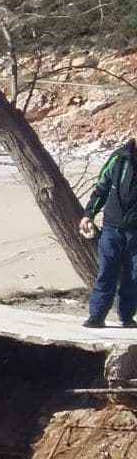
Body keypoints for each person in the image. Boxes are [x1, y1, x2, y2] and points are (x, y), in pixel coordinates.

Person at [80, 138, 137, 329]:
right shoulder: (118, 158)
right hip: (112, 228)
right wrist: (89, 214)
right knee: (106, 273)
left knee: (134, 276)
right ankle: (96, 317)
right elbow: (101, 189)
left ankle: (127, 317)